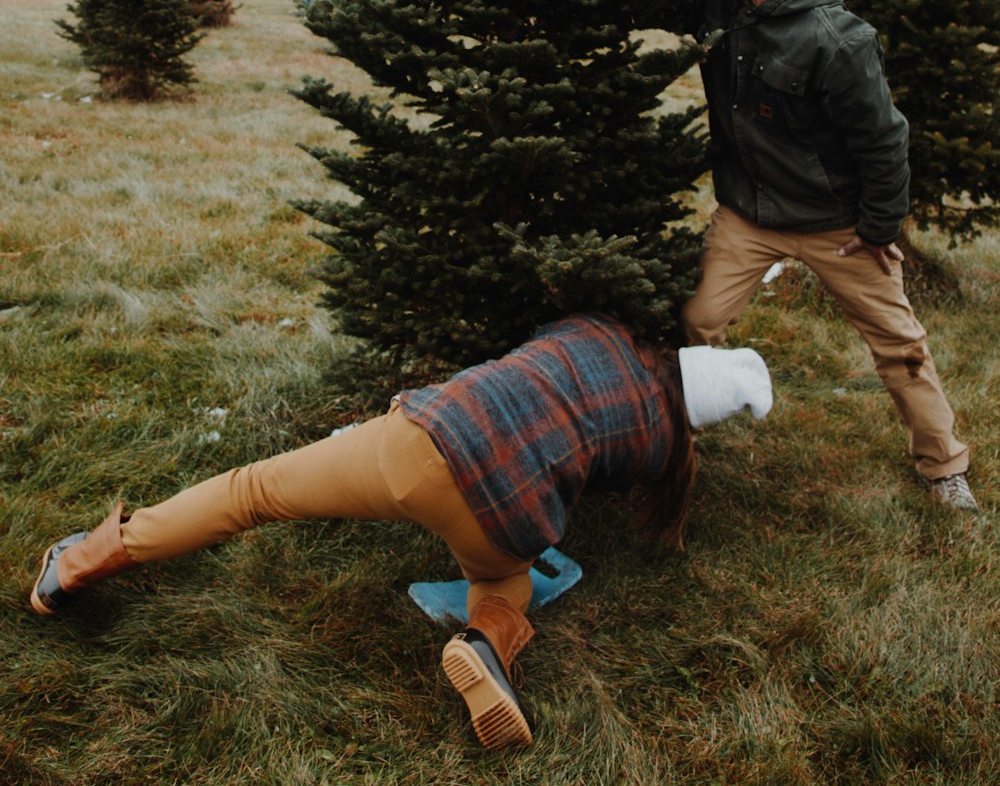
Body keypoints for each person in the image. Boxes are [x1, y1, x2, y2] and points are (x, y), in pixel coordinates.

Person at [29, 312, 773, 750]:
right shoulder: (655, 447)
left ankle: (85, 561)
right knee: (504, 580)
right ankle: (488, 645)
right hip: (504, 515)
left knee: (253, 491)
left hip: (420, 438)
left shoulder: (594, 330)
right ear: (691, 420)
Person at [642, 0, 976, 511]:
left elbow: (884, 140)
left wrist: (878, 229)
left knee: (900, 345)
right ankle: (670, 447)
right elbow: (655, 2)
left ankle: (944, 466)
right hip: (750, 214)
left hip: (837, 225)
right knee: (697, 321)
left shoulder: (838, 39)